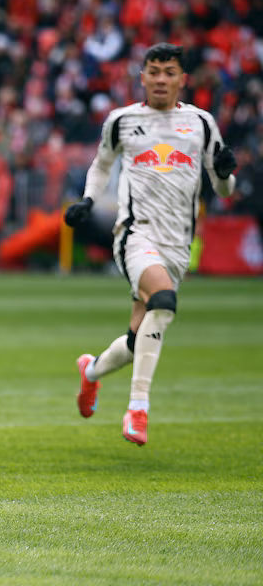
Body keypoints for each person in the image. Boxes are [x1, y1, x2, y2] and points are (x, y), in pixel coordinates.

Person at [64, 44, 237, 446]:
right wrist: (88, 200)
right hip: (135, 234)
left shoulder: (202, 123)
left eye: (169, 72)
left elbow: (224, 188)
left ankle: (90, 372)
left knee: (136, 337)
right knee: (163, 302)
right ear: (142, 76)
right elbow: (102, 164)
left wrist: (227, 175)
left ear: (182, 79)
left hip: (178, 243)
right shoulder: (122, 120)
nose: (161, 79)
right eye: (154, 71)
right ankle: (138, 408)